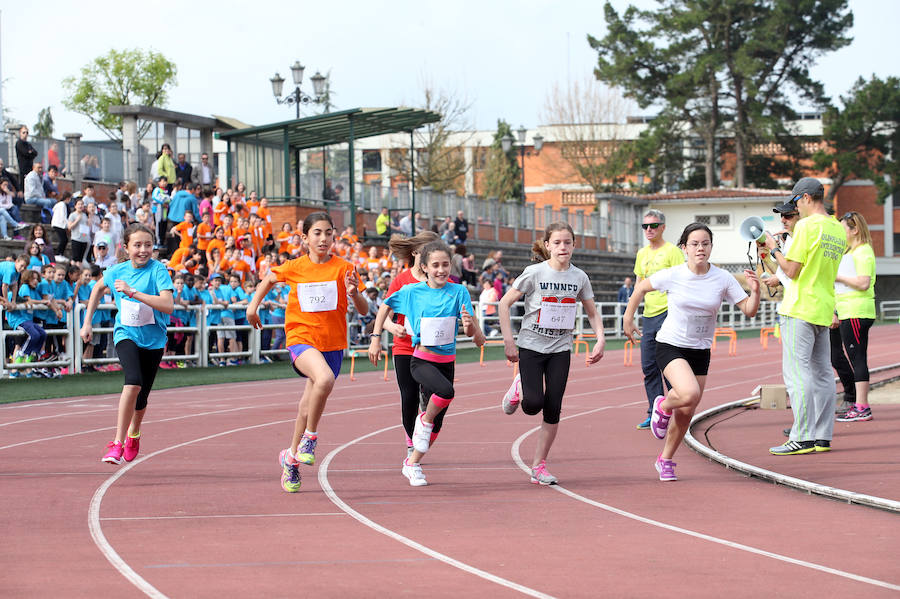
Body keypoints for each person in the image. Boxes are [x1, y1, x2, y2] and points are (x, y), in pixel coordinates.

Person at [625, 222, 760, 480]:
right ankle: (662, 405)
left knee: (688, 409)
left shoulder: (722, 278)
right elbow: (641, 288)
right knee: (689, 393)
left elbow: (749, 310)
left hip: (700, 350)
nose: (700, 248)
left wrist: (755, 292)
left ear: (711, 247)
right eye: (695, 244)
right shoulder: (674, 274)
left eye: (705, 244)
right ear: (684, 248)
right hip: (670, 345)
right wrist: (628, 318)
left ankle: (665, 460)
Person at [246, 212, 368, 493]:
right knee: (324, 380)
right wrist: (253, 307)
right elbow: (268, 279)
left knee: (306, 406)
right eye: (317, 233)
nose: (323, 238)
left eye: (328, 232)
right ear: (305, 238)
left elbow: (363, 309)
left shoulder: (345, 268)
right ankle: (310, 438)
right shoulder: (294, 267)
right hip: (301, 339)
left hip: (332, 344)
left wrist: (354, 293)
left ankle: (291, 459)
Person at [369, 240, 486, 487]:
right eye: (435, 265)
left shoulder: (459, 292)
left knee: (437, 424)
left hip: (447, 362)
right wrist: (376, 338)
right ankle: (422, 422)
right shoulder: (412, 292)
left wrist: (469, 327)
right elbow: (384, 308)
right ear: (424, 267)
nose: (441, 270)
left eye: (446, 265)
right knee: (446, 392)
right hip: (421, 360)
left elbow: (478, 339)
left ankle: (412, 464)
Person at [497, 222, 606, 484]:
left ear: (574, 245)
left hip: (561, 348)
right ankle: (520, 386)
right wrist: (509, 341)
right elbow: (504, 303)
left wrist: (600, 339)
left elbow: (591, 312)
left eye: (567, 242)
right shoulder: (534, 273)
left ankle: (539, 466)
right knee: (533, 404)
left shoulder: (579, 277)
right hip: (532, 346)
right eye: (557, 242)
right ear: (547, 246)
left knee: (553, 407)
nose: (562, 247)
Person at [762, 177, 846, 455]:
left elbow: (792, 269)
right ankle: (822, 436)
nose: (796, 209)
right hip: (822, 306)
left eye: (796, 202)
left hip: (799, 307)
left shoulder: (808, 226)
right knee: (822, 374)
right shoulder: (837, 228)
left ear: (806, 198)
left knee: (798, 376)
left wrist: (774, 247)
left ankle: (802, 436)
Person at [80, 224, 174, 464]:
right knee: (132, 382)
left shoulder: (158, 271)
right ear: (126, 247)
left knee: (141, 398)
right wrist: (87, 322)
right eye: (137, 245)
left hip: (153, 340)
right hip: (126, 334)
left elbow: (167, 305)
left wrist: (133, 293)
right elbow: (98, 289)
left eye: (148, 245)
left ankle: (134, 432)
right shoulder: (116, 271)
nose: (143, 250)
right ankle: (117, 443)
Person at [367, 231, 440, 460]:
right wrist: (385, 332)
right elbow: (384, 312)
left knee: (432, 397)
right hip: (404, 347)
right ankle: (411, 440)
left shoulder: (439, 279)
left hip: (432, 349)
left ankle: (424, 422)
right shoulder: (402, 280)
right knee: (408, 395)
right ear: (417, 252)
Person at [632, 209, 684, 430]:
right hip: (649, 316)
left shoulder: (673, 252)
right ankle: (654, 411)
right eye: (645, 226)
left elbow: (683, 280)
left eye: (653, 226)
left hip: (668, 313)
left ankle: (679, 408)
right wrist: (631, 315)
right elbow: (638, 286)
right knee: (649, 366)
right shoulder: (642, 253)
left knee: (670, 366)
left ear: (663, 227)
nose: (649, 230)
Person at [833, 211, 876, 424]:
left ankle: (862, 406)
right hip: (850, 311)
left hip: (856, 312)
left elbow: (863, 283)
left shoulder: (863, 253)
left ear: (855, 230)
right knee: (857, 358)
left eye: (844, 230)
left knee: (857, 358)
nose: (842, 234)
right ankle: (861, 406)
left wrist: (838, 276)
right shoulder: (854, 252)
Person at [67, 198, 91, 265]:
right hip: (76, 239)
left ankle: (79, 273)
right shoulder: (72, 215)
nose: (80, 206)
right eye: (79, 204)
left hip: (84, 239)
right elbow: (69, 227)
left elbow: (87, 228)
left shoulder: (84, 215)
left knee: (80, 259)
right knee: (75, 258)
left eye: (82, 204)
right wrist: (77, 220)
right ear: (75, 206)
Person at [15, 126, 38, 190]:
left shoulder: (28, 144)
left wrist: (30, 153)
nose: (25, 134)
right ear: (20, 133)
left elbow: (35, 153)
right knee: (23, 186)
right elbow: (25, 153)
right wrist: (30, 153)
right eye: (24, 132)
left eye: (27, 133)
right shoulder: (19, 143)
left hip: (30, 168)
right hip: (23, 169)